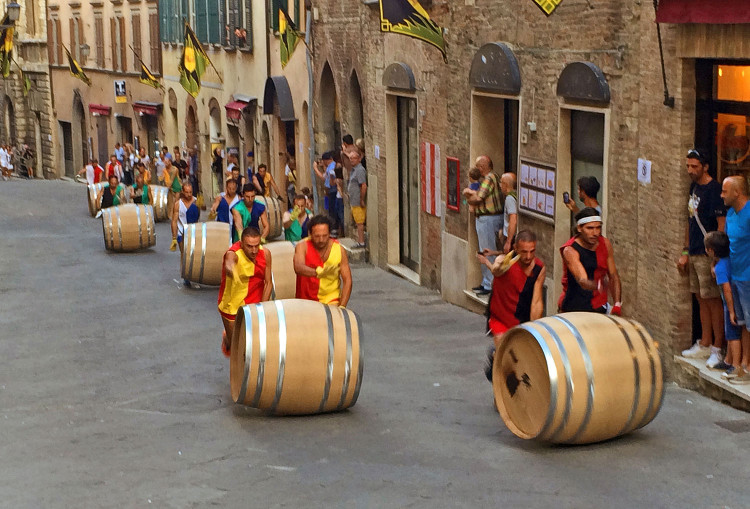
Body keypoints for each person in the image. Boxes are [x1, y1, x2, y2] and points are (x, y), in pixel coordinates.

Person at [678, 149, 726, 365]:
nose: (690, 170)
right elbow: (690, 220)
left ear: (705, 167)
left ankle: (718, 346)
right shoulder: (693, 187)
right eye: (688, 166)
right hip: (695, 251)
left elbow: (721, 225)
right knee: (700, 297)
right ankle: (705, 342)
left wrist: (717, 257)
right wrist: (686, 251)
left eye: (694, 166)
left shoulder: (715, 190)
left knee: (713, 300)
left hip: (708, 253)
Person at [477, 230, 546, 381]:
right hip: (500, 316)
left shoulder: (539, 269)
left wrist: (536, 327)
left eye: (532, 251)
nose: (528, 256)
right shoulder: (504, 261)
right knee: (505, 355)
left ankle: (497, 361)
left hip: (521, 317)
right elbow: (496, 269)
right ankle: (498, 391)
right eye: (524, 252)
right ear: (515, 248)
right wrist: (491, 263)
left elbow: (536, 301)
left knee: (520, 359)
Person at [217, 226, 272, 357]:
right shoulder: (234, 253)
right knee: (235, 348)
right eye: (249, 246)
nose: (254, 250)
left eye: (256, 246)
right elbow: (229, 262)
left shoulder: (265, 254)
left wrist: (262, 308)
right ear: (241, 244)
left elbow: (268, 282)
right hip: (232, 305)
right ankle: (227, 340)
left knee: (252, 346)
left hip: (254, 302)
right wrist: (232, 270)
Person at [559, 207, 622, 314]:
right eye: (590, 228)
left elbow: (613, 275)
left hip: (599, 306)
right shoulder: (570, 250)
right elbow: (582, 280)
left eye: (598, 228)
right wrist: (600, 285)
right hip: (573, 307)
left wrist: (617, 304)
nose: (595, 233)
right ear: (579, 228)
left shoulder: (605, 244)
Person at [703, 231, 743, 378]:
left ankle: (735, 365)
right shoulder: (729, 260)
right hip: (738, 299)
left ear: (711, 251)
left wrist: (731, 310)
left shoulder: (720, 269)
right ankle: (729, 360)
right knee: (733, 333)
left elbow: (726, 289)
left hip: (730, 304)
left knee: (732, 335)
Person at [722, 175, 750, 383]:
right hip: (735, 274)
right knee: (741, 322)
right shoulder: (731, 213)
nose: (722, 195)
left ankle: (747, 366)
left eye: (725, 191)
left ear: (737, 193)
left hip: (748, 277)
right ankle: (741, 365)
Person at [462, 155, 504, 296]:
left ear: (483, 167)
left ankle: (489, 284)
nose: (476, 169)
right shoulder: (489, 178)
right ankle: (486, 281)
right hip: (485, 218)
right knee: (484, 249)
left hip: (488, 218)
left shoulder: (489, 178)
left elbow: (479, 197)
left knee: (487, 250)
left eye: (477, 166)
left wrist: (468, 197)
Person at [294, 214, 352, 306]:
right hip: (306, 301)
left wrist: (342, 307)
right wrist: (318, 272)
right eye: (317, 236)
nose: (321, 240)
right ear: (310, 234)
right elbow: (298, 267)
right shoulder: (302, 246)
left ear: (329, 234)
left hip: (331, 298)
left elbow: (347, 280)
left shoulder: (339, 249)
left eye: (325, 236)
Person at [170, 182, 200, 261]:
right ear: (183, 192)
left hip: (194, 232)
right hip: (182, 233)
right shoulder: (178, 204)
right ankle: (183, 272)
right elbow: (174, 221)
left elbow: (198, 218)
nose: (189, 194)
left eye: (190, 192)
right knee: (184, 255)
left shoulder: (196, 202)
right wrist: (174, 237)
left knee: (194, 256)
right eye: (187, 192)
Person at [313, 152, 338, 233]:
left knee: (332, 210)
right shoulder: (329, 167)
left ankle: (334, 228)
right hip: (330, 191)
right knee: (330, 209)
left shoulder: (332, 167)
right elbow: (324, 177)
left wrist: (315, 168)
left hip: (332, 190)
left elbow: (326, 178)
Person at [347, 148, 367, 247]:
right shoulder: (353, 170)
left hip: (358, 201)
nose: (352, 160)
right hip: (353, 200)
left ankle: (361, 242)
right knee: (357, 221)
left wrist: (361, 199)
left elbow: (363, 185)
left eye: (354, 158)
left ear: (359, 159)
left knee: (360, 222)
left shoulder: (360, 170)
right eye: (350, 158)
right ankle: (359, 240)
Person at [500, 172, 518, 254]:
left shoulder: (510, 199)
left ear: (506, 185)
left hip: (510, 236)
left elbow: (513, 219)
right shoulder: (516, 194)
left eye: (501, 182)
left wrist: (508, 241)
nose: (500, 186)